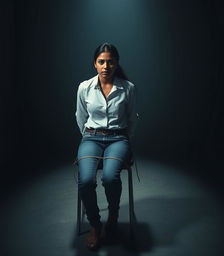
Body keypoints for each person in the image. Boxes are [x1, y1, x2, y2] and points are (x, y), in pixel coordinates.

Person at [75, 42, 138, 250]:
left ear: (116, 63)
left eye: (110, 62)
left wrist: (125, 141)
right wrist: (89, 136)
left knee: (110, 177)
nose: (106, 66)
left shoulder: (127, 88)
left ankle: (113, 215)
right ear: (94, 64)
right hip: (91, 138)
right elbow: (80, 117)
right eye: (101, 62)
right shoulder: (84, 87)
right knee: (85, 181)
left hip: (118, 139)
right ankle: (95, 224)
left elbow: (132, 119)